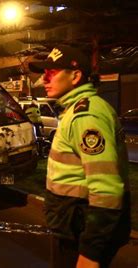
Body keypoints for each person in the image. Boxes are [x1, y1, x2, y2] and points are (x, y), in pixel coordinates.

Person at [29, 45, 130, 267]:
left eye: (52, 73)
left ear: (75, 76)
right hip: (74, 227)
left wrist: (90, 254)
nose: (44, 79)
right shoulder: (76, 110)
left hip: (81, 234)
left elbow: (107, 189)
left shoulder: (86, 115)